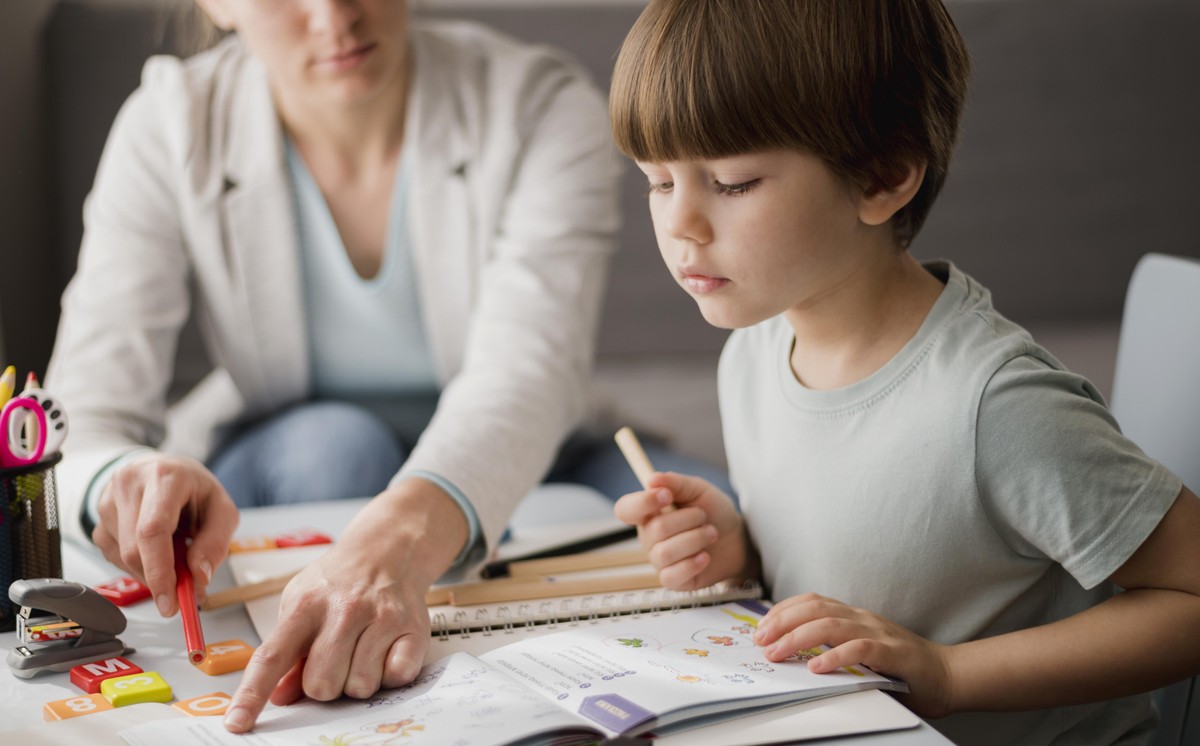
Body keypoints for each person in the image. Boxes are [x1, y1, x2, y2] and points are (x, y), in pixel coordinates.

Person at [41, 0, 730, 733]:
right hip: (297, 453)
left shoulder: (538, 104)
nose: (335, 17)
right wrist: (123, 480)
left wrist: (397, 540)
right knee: (338, 448)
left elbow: (529, 374)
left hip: (530, 448)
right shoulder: (168, 124)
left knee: (725, 524)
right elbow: (85, 413)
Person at [607, 1, 1200, 744]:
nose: (680, 224)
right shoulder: (753, 354)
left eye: (731, 183)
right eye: (659, 182)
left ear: (883, 177)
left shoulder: (996, 407)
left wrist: (948, 673)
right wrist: (741, 550)